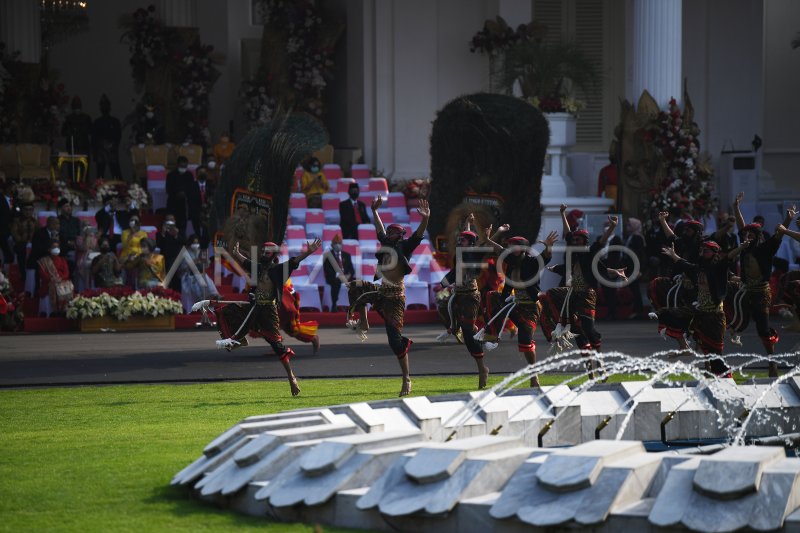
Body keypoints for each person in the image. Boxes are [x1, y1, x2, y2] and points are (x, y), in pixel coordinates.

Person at [215, 238, 322, 396]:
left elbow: (294, 261)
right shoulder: (258, 268)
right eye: (263, 252)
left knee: (277, 346)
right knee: (226, 311)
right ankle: (241, 339)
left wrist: (309, 251)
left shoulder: (279, 270)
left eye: (267, 252)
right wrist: (236, 252)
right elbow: (243, 261)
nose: (263, 254)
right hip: (254, 306)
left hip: (269, 311)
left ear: (273, 255)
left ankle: (291, 378)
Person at [346, 197, 430, 397]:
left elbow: (418, 236)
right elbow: (379, 230)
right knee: (355, 287)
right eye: (390, 232)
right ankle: (364, 323)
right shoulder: (385, 243)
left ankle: (406, 378)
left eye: (395, 232)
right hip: (381, 291)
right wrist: (375, 211)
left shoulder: (406, 246)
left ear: (401, 236)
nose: (390, 234)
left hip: (395, 298)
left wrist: (425, 219)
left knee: (395, 341)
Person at [538, 204, 620, 377]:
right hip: (570, 295)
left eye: (578, 240)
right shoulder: (571, 253)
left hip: (587, 295)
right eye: (574, 240)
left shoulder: (590, 253)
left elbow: (601, 243)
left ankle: (600, 364)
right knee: (576, 332)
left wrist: (612, 227)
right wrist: (562, 214)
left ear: (584, 242)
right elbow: (568, 234)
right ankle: (590, 370)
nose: (574, 241)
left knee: (589, 330)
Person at [655, 238, 751, 376]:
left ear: (714, 252)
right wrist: (673, 255)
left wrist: (741, 248)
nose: (701, 253)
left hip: (715, 318)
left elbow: (728, 258)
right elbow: (684, 264)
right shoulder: (698, 269)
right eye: (701, 250)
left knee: (716, 358)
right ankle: (684, 347)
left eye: (705, 251)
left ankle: (727, 382)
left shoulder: (718, 268)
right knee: (665, 314)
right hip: (699, 313)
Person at [728, 193, 796, 376]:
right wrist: (736, 207)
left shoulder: (765, 249)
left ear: (758, 237)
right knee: (732, 318)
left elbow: (779, 234)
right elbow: (742, 227)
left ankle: (772, 362)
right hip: (745, 290)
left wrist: (788, 219)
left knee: (763, 329)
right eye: (746, 235)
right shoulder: (745, 247)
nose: (747, 237)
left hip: (760, 293)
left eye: (751, 235)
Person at [179, 234, 220, 315]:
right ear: (190, 243)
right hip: (189, 276)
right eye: (194, 243)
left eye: (197, 243)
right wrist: (195, 261)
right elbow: (183, 268)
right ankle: (212, 294)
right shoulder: (185, 253)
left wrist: (205, 261)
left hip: (200, 274)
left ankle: (213, 295)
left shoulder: (201, 252)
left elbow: (206, 266)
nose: (196, 245)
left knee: (204, 277)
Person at [278, 279, 320, 353]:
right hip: (274, 293)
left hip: (286, 296)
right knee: (264, 324)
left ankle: (313, 338)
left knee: (291, 328)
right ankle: (276, 346)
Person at [38, 239, 73, 315]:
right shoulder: (44, 261)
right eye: (54, 247)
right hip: (49, 283)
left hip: (61, 283)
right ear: (49, 249)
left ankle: (62, 311)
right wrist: (51, 279)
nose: (56, 249)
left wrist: (60, 278)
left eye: (57, 247)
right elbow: (42, 273)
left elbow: (66, 273)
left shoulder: (62, 260)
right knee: (52, 286)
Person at [92, 94, 122, 180]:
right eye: (102, 105)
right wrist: (96, 151)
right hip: (100, 151)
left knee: (116, 173)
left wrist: (111, 145)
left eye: (106, 105)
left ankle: (120, 190)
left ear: (109, 107)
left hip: (112, 150)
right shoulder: (97, 122)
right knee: (100, 175)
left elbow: (117, 137)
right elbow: (94, 139)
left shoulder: (115, 122)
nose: (104, 107)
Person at [61, 96, 92, 175]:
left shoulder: (86, 118)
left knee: (84, 171)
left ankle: (84, 185)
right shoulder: (69, 119)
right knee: (72, 171)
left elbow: (90, 131)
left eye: (78, 105)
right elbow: (63, 132)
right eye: (75, 105)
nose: (77, 107)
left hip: (83, 147)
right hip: (72, 148)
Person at [323, 234, 355, 312]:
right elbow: (327, 270)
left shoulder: (347, 255)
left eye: (339, 243)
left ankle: (355, 305)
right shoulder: (327, 255)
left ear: (342, 245)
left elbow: (352, 269)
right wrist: (337, 276)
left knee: (357, 283)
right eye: (335, 243)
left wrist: (349, 275)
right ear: (332, 245)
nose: (338, 245)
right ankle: (334, 304)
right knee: (336, 282)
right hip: (333, 277)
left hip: (345, 277)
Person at [10, 203, 36, 284]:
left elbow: (39, 234)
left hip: (33, 246)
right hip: (21, 245)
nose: (28, 212)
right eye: (26, 209)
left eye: (30, 210)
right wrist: (23, 241)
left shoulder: (35, 221)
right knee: (21, 255)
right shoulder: (17, 221)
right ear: (22, 210)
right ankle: (22, 277)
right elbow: (14, 234)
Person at [186, 166, 214, 243]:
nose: (202, 174)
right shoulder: (191, 185)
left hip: (208, 214)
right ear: (196, 174)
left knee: (206, 234)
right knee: (197, 234)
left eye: (204, 172)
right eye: (200, 172)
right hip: (196, 212)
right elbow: (190, 200)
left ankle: (205, 247)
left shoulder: (211, 185)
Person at [157, 216, 185, 292]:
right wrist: (163, 232)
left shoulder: (179, 231)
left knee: (176, 280)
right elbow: (159, 244)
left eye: (172, 220)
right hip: (165, 259)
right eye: (168, 220)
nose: (170, 222)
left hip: (176, 258)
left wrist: (175, 235)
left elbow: (183, 242)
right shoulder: (160, 233)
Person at [166, 156, 193, 234]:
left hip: (184, 204)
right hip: (172, 203)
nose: (183, 168)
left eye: (185, 166)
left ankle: (182, 240)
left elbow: (191, 189)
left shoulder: (189, 175)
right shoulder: (171, 175)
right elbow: (168, 189)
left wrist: (185, 194)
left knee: (183, 225)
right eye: (181, 166)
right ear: (177, 165)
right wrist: (178, 193)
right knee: (171, 224)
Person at [57, 198, 81, 273]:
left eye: (70, 206)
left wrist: (76, 242)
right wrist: (67, 242)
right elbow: (57, 234)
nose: (69, 208)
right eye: (66, 206)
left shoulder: (76, 220)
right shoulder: (57, 220)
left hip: (75, 246)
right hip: (63, 247)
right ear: (61, 208)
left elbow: (79, 234)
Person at [75, 225, 99, 292]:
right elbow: (82, 247)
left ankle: (90, 290)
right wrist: (86, 237)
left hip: (92, 255)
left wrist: (91, 236)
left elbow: (94, 247)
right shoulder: (80, 238)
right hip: (83, 257)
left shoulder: (94, 238)